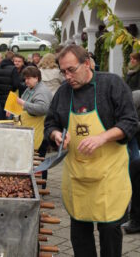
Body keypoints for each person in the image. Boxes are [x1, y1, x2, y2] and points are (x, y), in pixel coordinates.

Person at [44, 44, 138, 257]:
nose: (67, 76)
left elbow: (130, 122)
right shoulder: (63, 92)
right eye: (63, 71)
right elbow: (50, 124)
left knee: (109, 231)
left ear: (86, 63)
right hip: (77, 176)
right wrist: (56, 135)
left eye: (71, 70)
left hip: (109, 176)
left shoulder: (112, 84)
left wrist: (103, 137)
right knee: (79, 234)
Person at [17, 66, 52, 151]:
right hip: (30, 131)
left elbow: (43, 108)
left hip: (38, 133)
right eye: (25, 79)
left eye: (28, 78)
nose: (26, 81)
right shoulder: (30, 88)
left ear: (36, 78)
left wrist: (23, 103)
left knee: (35, 161)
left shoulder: (41, 91)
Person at [0, 51, 20, 120]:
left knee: (0, 117)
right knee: (9, 118)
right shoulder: (13, 69)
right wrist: (12, 90)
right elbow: (16, 84)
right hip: (10, 96)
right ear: (13, 59)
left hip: (0, 96)